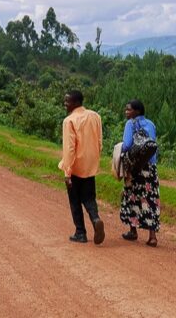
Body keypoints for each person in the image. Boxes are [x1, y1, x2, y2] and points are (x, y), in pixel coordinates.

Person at [58, 90, 105, 245]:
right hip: (90, 165)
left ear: (75, 102)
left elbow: (69, 149)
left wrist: (67, 171)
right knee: (89, 197)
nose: (65, 104)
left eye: (67, 101)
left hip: (75, 167)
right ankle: (96, 219)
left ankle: (80, 233)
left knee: (75, 200)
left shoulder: (69, 121)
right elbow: (99, 141)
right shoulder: (95, 116)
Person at [119, 99, 160, 247]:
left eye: (128, 109)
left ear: (136, 111)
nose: (126, 112)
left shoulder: (130, 124)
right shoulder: (151, 124)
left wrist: (119, 150)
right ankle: (152, 236)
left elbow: (127, 145)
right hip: (150, 167)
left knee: (132, 197)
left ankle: (133, 231)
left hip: (135, 168)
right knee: (150, 199)